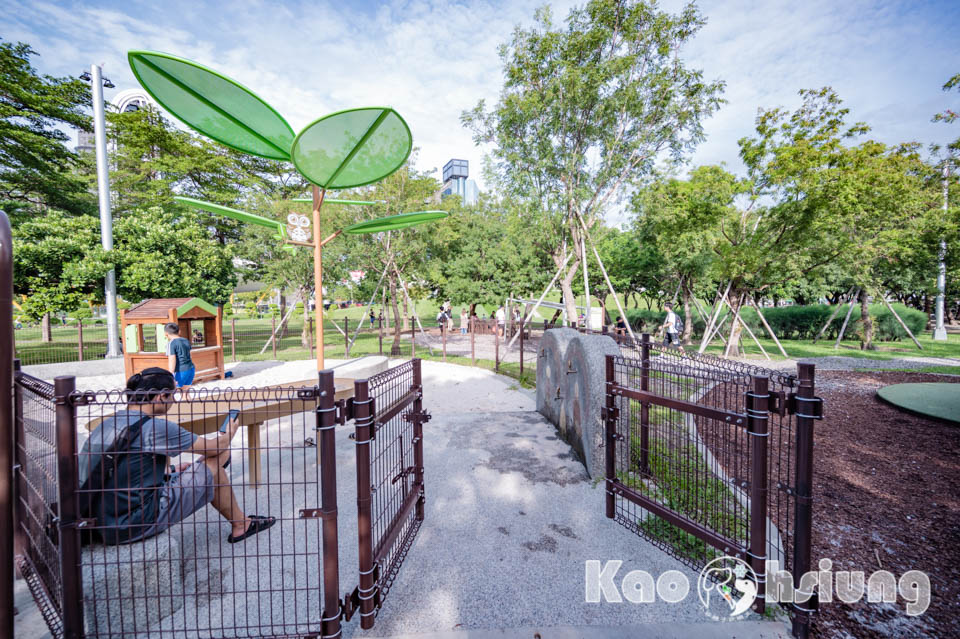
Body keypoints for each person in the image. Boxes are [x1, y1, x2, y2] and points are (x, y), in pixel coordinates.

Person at [79, 368, 275, 545]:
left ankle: (240, 523)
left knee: (207, 469)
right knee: (217, 458)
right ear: (161, 397)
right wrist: (230, 432)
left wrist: (171, 470)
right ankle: (241, 524)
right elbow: (216, 448)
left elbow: (119, 469)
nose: (174, 400)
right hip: (134, 520)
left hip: (102, 518)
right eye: (172, 395)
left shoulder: (109, 423)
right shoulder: (155, 427)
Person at [165, 323, 195, 388]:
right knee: (185, 393)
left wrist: (171, 375)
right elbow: (190, 355)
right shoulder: (186, 340)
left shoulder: (171, 343)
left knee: (172, 392)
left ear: (166, 334)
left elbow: (172, 360)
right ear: (179, 331)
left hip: (180, 371)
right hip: (191, 368)